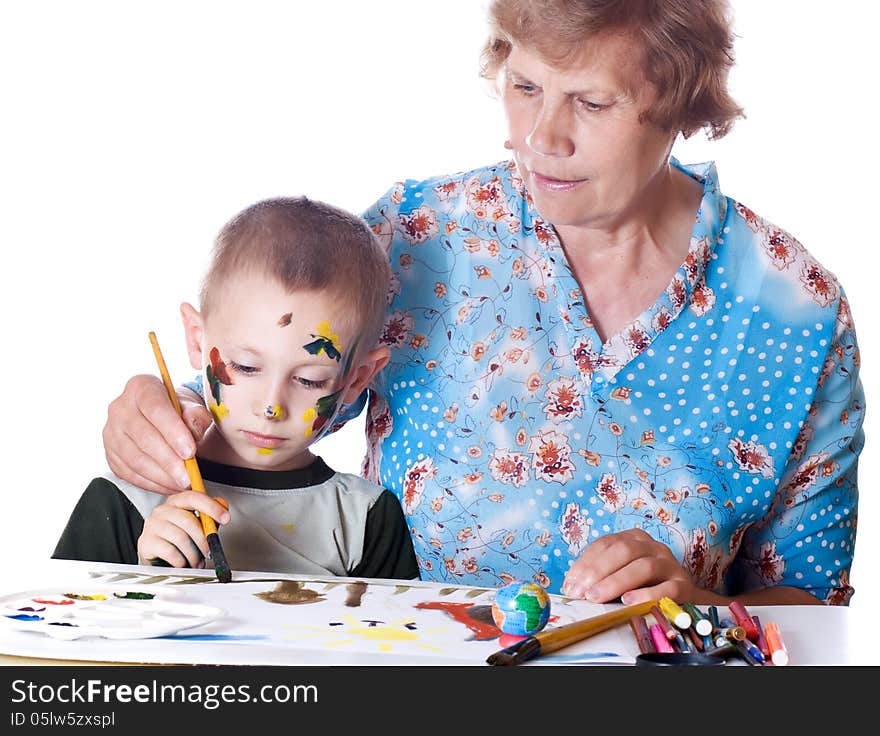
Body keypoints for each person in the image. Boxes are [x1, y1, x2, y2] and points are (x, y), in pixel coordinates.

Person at [98, 0, 864, 606]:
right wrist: (160, 417)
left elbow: (812, 606)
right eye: (525, 87)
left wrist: (694, 603)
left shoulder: (797, 313)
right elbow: (253, 415)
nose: (541, 137)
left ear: (681, 100)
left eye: (592, 103)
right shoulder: (418, 236)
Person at [54, 197, 419, 581]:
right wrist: (149, 581)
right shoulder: (125, 502)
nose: (271, 406)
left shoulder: (365, 519)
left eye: (310, 379)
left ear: (357, 378)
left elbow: (392, 638)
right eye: (245, 367)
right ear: (197, 341)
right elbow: (52, 630)